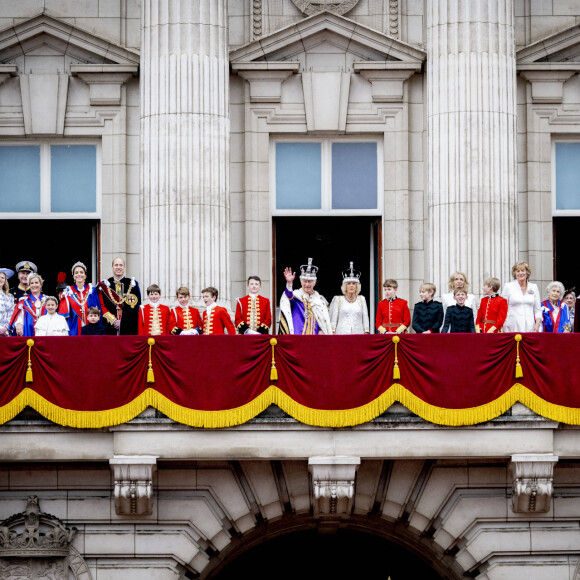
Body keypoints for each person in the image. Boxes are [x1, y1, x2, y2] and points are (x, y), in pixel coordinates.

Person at [278, 258, 332, 335]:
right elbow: (288, 297)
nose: (307, 284)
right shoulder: (296, 296)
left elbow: (323, 320)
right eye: (304, 281)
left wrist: (321, 330)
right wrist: (289, 283)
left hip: (314, 339)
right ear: (301, 282)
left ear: (315, 283)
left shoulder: (320, 301)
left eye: (309, 281)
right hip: (297, 337)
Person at [98, 257, 141, 335]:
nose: (118, 267)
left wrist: (123, 321)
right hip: (109, 326)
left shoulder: (133, 284)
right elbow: (101, 306)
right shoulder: (106, 285)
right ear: (112, 267)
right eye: (116, 265)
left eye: (121, 265)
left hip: (128, 327)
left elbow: (135, 307)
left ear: (124, 267)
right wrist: (113, 320)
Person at [58, 262, 101, 336]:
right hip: (73, 330)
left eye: (81, 272)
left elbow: (97, 311)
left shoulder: (92, 291)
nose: (79, 274)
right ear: (73, 276)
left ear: (85, 275)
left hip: (91, 331)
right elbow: (63, 317)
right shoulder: (68, 292)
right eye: (76, 272)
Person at [328, 262, 370, 334]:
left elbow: (365, 318)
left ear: (357, 286)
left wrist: (366, 332)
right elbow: (333, 320)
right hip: (341, 335)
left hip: (358, 335)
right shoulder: (338, 300)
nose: (351, 286)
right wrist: (333, 332)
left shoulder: (361, 299)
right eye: (349, 284)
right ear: (345, 286)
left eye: (354, 283)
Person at [502, 261, 541, 332]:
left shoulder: (534, 287)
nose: (520, 273)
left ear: (527, 273)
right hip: (512, 326)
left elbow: (538, 309)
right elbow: (502, 308)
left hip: (530, 326)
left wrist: (537, 325)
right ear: (515, 274)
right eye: (518, 271)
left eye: (523, 270)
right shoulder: (508, 286)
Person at [0, 268, 15, 337]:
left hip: (5, 332)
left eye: (2, 277)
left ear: (5, 280)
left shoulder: (10, 297)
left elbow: (11, 314)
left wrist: (5, 328)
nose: (0, 279)